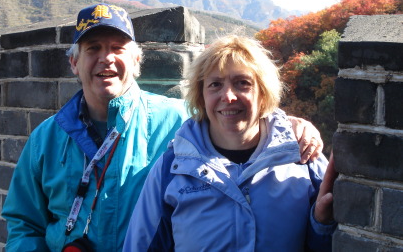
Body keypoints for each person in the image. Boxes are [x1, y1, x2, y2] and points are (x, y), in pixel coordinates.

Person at [2, 4, 325, 252]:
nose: (106, 58)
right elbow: (23, 221)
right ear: (74, 62)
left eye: (118, 48)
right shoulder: (46, 137)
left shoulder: (177, 119)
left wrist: (290, 124)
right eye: (93, 49)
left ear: (138, 60)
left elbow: (233, 112)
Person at [123, 35, 338, 252]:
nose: (228, 96)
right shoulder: (172, 169)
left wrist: (322, 226)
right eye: (215, 84)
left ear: (263, 93)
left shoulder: (302, 156)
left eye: (242, 83)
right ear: (201, 96)